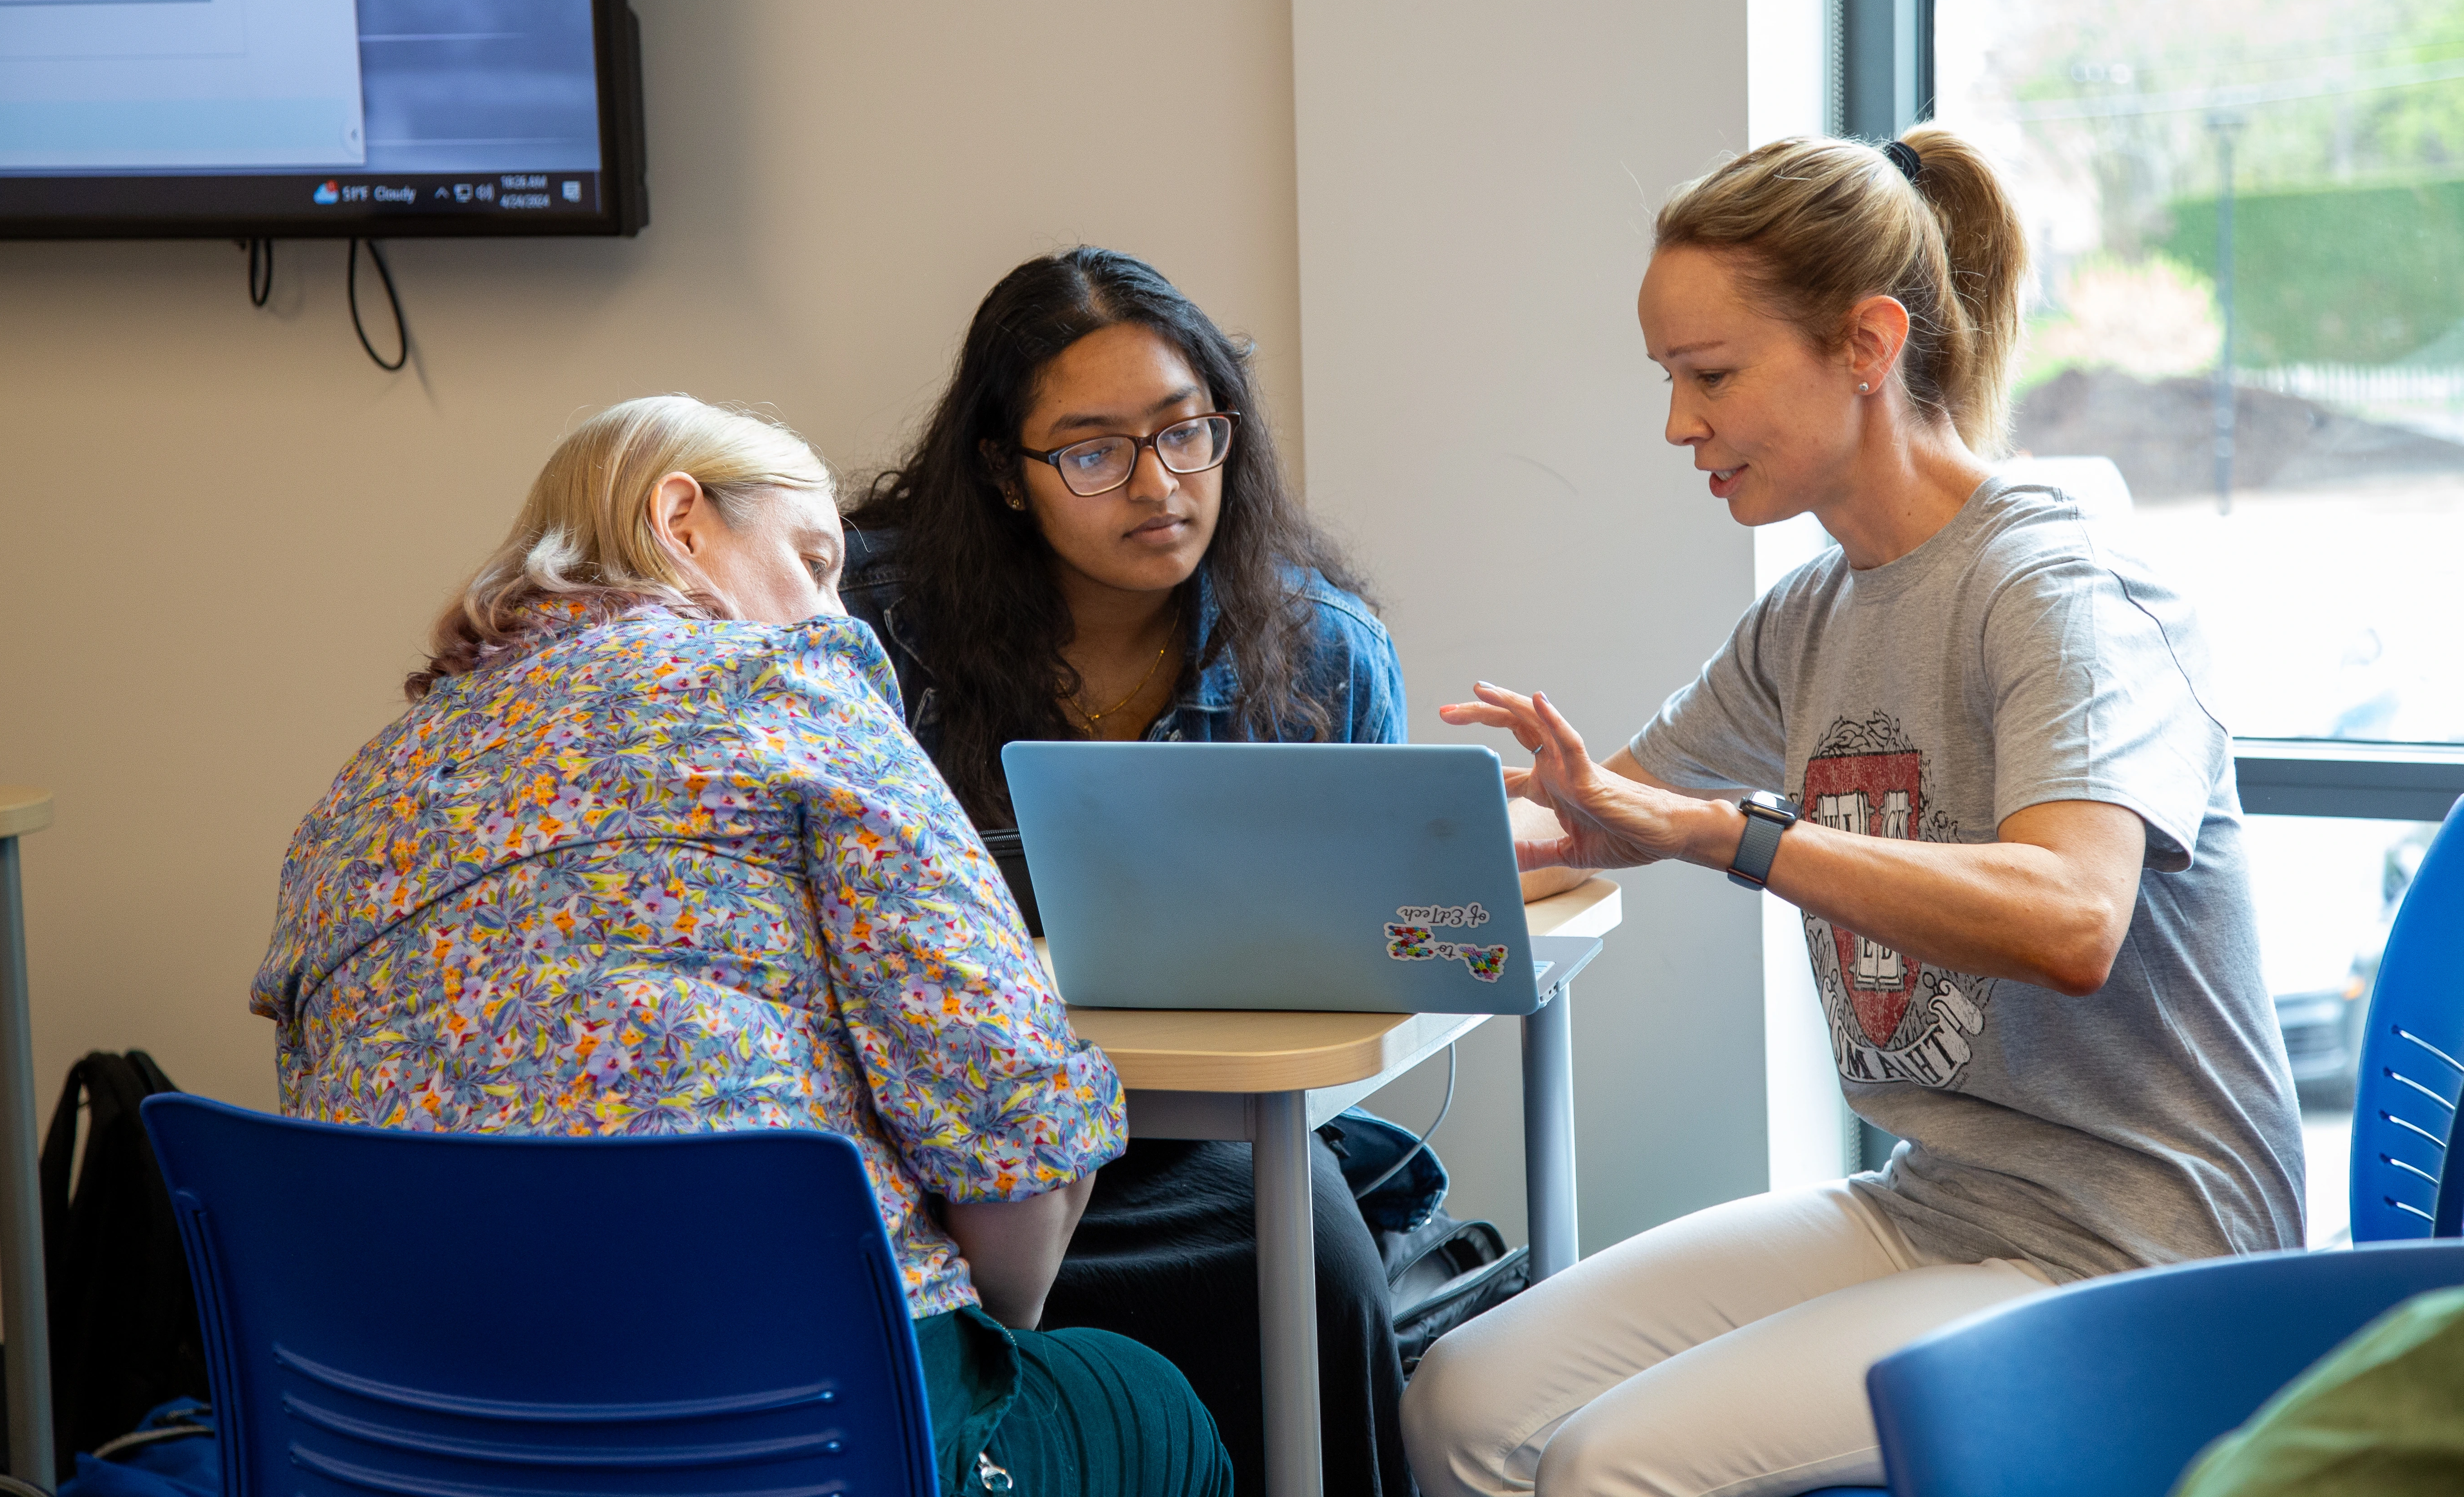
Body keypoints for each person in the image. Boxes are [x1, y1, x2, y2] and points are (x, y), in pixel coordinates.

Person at [1403, 130, 2306, 1497]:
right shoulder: (1813, 615)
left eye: (1711, 376)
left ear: (1868, 343)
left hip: (2143, 1248)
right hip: (1943, 1200)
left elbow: (2074, 918)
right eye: (1669, 380)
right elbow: (1608, 818)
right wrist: (1349, 863)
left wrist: (1736, 838)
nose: (1677, 425)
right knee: (1464, 1398)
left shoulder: (2059, 591)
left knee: (1606, 1466)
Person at [252, 394, 1232, 1497]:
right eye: (814, 561)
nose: (832, 611)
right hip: (775, 1431)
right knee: (1140, 1399)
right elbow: (1018, 1144)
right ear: (681, 520)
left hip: (411, 1435)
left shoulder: (360, 790)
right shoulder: (790, 687)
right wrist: (996, 1335)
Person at [844, 246, 1452, 1497]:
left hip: (1203, 1145)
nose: (1159, 486)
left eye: (1188, 436)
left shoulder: (1324, 652)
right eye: (1093, 452)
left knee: (1318, 1250)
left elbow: (1371, 945)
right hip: (948, 1141)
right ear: (1006, 478)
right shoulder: (874, 633)